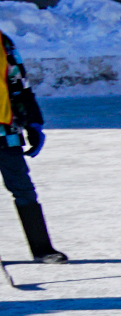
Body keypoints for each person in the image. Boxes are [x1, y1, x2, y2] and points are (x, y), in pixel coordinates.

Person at [0, 28, 62, 263]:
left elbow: (20, 83)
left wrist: (34, 123)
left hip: (5, 131)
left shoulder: (3, 42)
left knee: (23, 189)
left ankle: (42, 249)